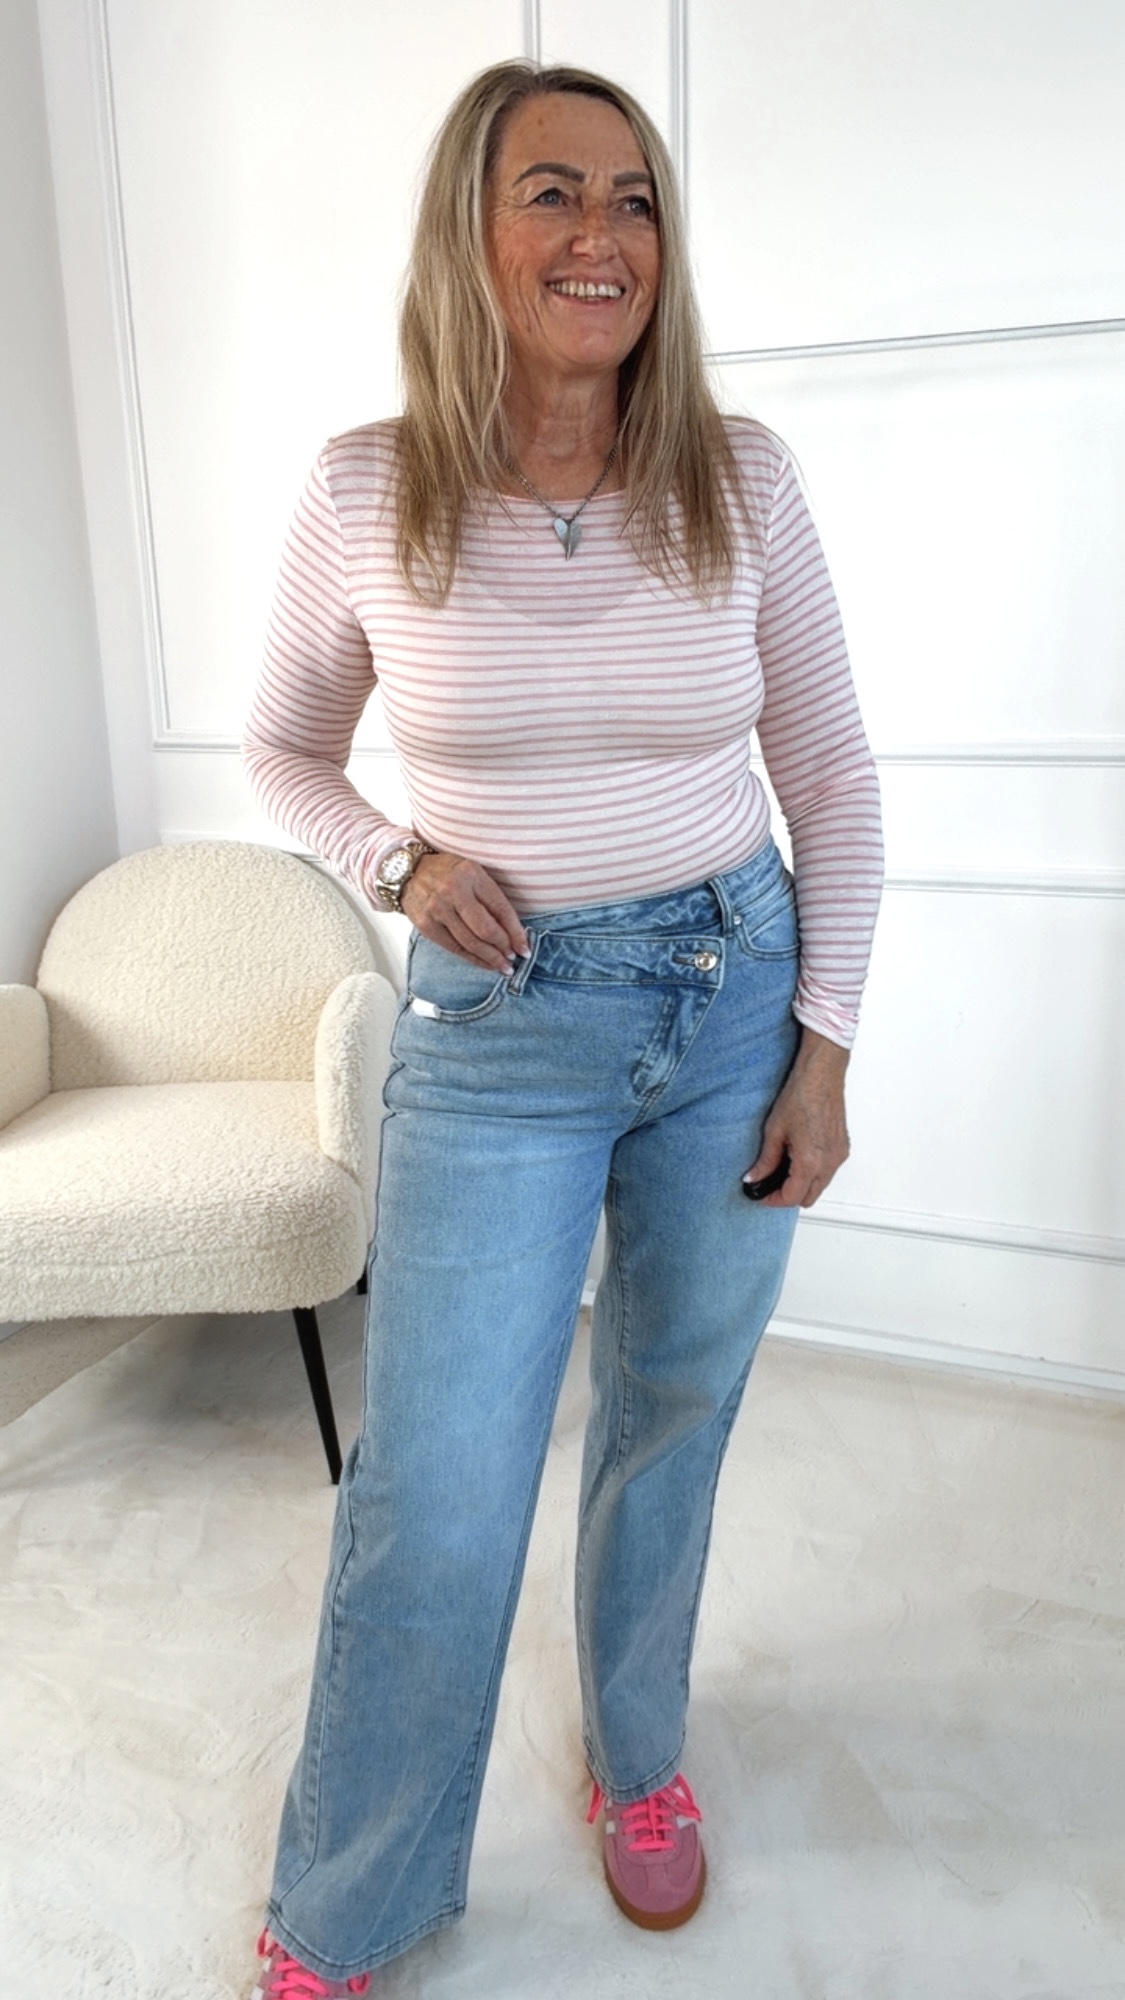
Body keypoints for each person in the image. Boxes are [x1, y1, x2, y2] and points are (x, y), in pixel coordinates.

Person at [241, 58, 882, 1996]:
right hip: (498, 1030)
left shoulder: (740, 473)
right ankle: (349, 1896)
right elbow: (280, 748)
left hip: (730, 998)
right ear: (471, 229)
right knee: (436, 1486)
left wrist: (825, 1041)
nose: (601, 234)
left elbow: (830, 775)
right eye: (551, 192)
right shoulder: (366, 486)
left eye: (634, 198)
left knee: (670, 1416)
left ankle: (638, 1755)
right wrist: (394, 856)